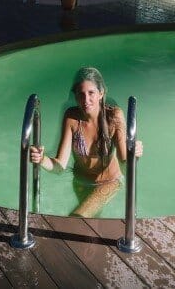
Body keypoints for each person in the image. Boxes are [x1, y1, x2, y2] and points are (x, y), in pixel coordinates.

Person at [29, 67, 143, 218]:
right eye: (80, 94)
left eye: (91, 93)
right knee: (90, 226)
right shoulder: (71, 118)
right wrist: (41, 159)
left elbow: (124, 167)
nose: (86, 100)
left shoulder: (113, 116)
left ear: (101, 94)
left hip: (108, 182)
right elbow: (59, 167)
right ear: (75, 96)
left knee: (76, 218)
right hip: (80, 183)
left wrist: (134, 155)